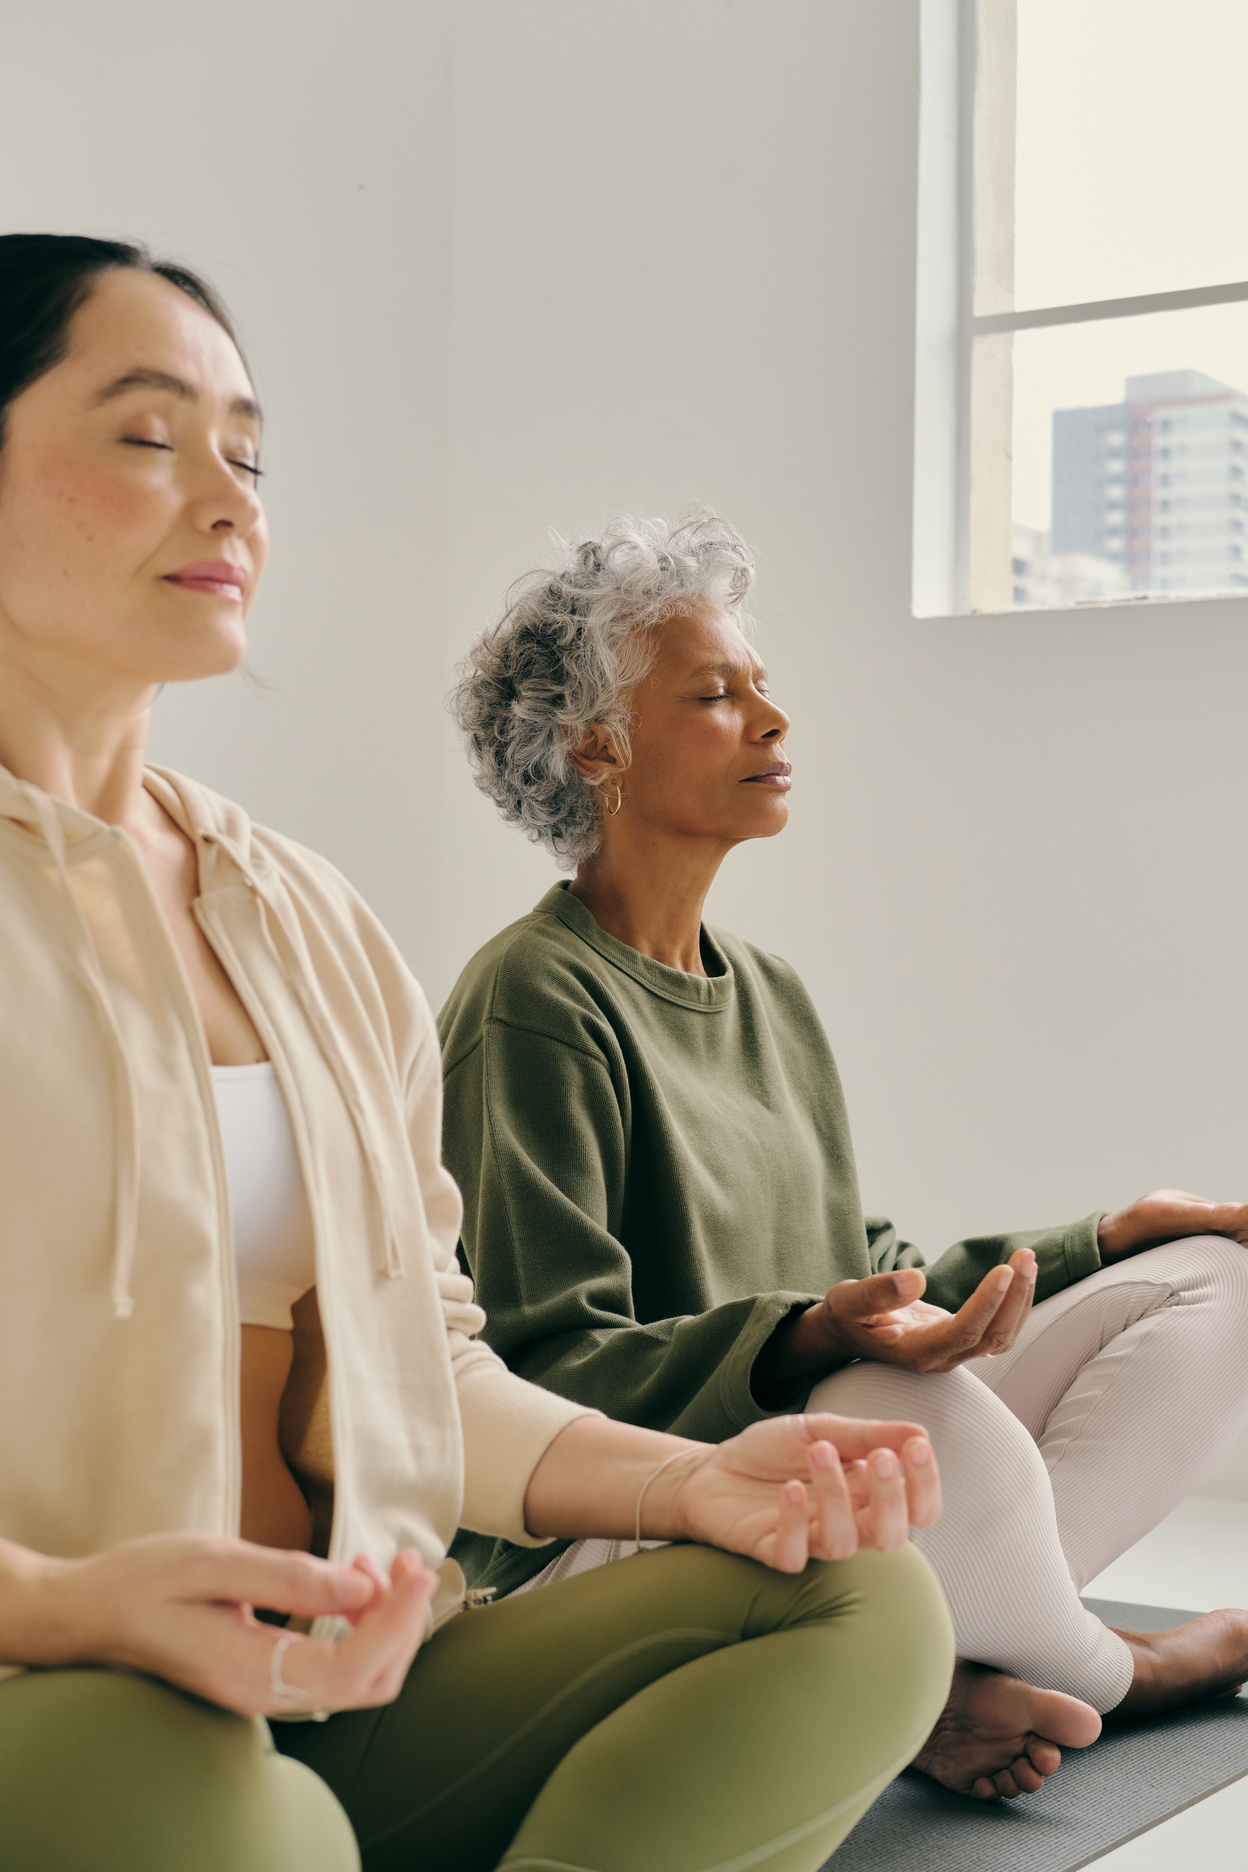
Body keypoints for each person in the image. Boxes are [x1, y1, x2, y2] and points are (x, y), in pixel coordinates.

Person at [0, 238, 957, 1872]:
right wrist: (76, 1602)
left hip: (345, 1688)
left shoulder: (302, 917)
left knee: (856, 1593)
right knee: (235, 1820)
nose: (230, 502)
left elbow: (426, 1367)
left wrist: (690, 1481)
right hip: (56, 1690)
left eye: (250, 454)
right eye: (150, 436)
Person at [441, 507, 1248, 1804]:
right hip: (643, 1515)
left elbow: (875, 1275)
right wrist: (809, 1343)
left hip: (826, 1467)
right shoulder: (533, 999)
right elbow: (544, 1367)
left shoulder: (771, 993)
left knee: (1215, 1282)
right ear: (600, 748)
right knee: (892, 1423)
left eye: (762, 686)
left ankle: (942, 1669)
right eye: (716, 694)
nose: (774, 721)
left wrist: (1107, 1239)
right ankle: (1111, 1672)